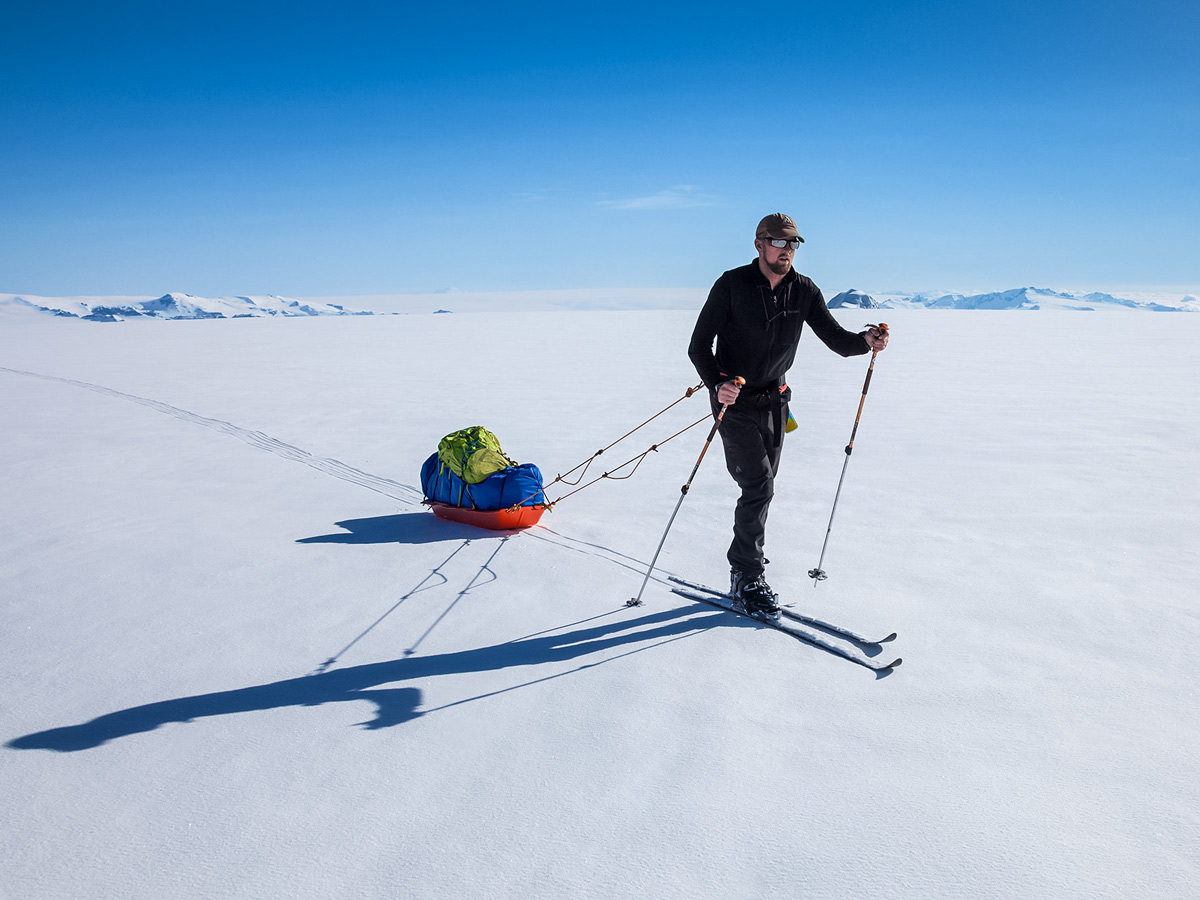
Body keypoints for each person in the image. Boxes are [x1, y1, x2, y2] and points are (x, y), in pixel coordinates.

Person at [688, 212, 889, 616]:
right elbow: (698, 346)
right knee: (759, 484)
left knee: (763, 486)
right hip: (735, 399)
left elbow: (836, 340)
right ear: (760, 243)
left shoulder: (804, 290)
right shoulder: (732, 285)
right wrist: (716, 384)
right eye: (780, 243)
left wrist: (866, 341)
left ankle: (747, 561)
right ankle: (746, 574)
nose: (787, 251)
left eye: (794, 244)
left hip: (776, 400)